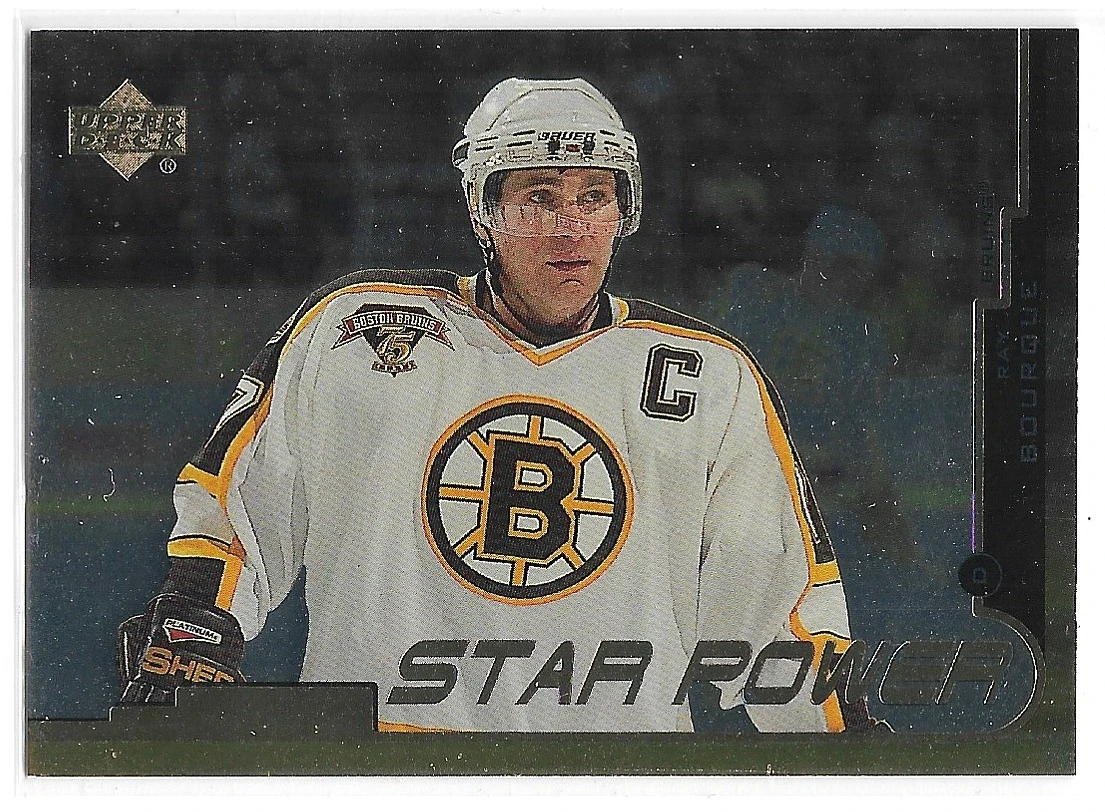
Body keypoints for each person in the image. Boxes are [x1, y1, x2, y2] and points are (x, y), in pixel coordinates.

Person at [118, 77, 870, 733]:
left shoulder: (708, 375)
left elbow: (776, 606)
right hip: (382, 766)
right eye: (539, 197)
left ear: (624, 212)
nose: (571, 226)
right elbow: (240, 510)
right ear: (484, 212)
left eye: (594, 197)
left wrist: (844, 742)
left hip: (620, 771)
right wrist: (197, 617)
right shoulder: (355, 330)